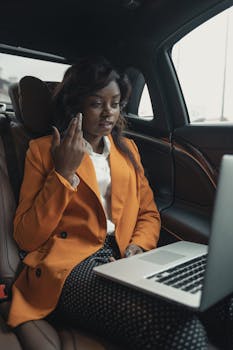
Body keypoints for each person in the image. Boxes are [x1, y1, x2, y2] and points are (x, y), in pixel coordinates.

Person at [7, 56, 233, 349]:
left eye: (115, 103)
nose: (108, 113)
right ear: (76, 106)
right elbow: (27, 236)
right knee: (180, 327)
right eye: (96, 103)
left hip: (127, 257)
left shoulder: (128, 151)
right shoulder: (43, 151)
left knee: (223, 302)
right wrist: (63, 173)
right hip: (70, 266)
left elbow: (148, 213)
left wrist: (138, 247)